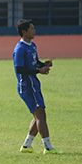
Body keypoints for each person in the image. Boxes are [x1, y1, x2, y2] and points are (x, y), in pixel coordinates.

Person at [13, 20, 58, 154]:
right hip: (27, 87)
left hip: (34, 85)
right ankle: (48, 148)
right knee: (41, 115)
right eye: (32, 29)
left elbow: (34, 62)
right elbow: (19, 69)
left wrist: (43, 65)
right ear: (24, 32)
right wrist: (39, 71)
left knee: (38, 115)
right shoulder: (20, 49)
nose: (34, 30)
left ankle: (27, 146)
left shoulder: (32, 45)